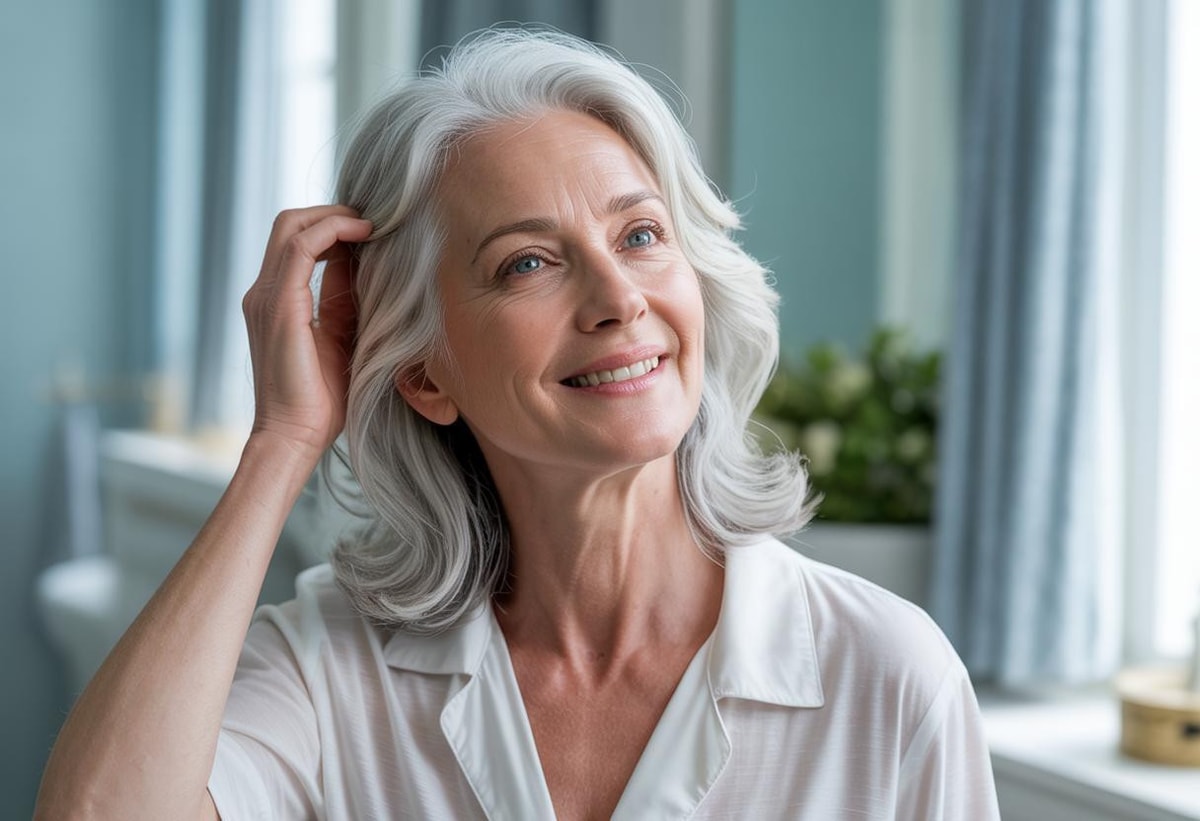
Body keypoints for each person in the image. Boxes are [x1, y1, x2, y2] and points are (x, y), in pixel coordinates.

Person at [37, 29, 1000, 820]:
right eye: (528, 263)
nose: (620, 297)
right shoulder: (334, 670)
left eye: (640, 234)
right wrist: (281, 443)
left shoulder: (888, 678)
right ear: (422, 373)